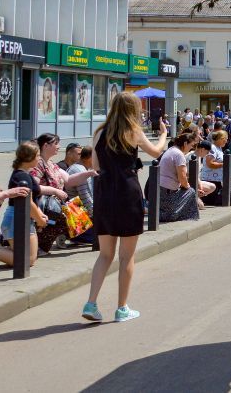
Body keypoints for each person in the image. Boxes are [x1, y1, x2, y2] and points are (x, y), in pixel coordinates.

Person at [83, 92, 169, 322]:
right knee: (126, 257)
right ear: (133, 109)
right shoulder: (134, 131)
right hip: (128, 194)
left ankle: (91, 303)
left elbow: (96, 165)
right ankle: (122, 309)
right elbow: (156, 152)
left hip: (104, 194)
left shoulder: (100, 132)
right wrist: (164, 135)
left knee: (105, 255)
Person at [0, 143, 47, 269]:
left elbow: (33, 198)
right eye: (38, 156)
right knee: (27, 260)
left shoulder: (25, 174)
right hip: (16, 220)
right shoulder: (21, 176)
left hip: (22, 218)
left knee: (29, 257)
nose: (39, 158)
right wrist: (40, 220)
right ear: (28, 157)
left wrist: (40, 214)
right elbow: (27, 202)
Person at [156, 133, 201, 223]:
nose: (191, 148)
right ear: (185, 143)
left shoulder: (171, 150)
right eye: (191, 145)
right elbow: (182, 177)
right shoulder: (179, 155)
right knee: (191, 192)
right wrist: (188, 187)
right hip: (167, 192)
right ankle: (183, 215)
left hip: (160, 190)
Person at [64, 146, 99, 244]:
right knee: (102, 236)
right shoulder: (81, 171)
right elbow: (85, 198)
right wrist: (97, 216)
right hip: (76, 215)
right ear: (90, 158)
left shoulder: (76, 167)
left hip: (73, 212)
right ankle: (74, 236)